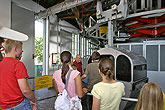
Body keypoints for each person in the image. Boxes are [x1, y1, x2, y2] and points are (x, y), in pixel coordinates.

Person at [0, 40, 37, 110]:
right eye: (21, 48)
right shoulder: (18, 64)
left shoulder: (0, 62)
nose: (22, 51)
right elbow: (25, 90)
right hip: (18, 105)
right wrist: (34, 101)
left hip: (3, 106)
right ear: (15, 49)